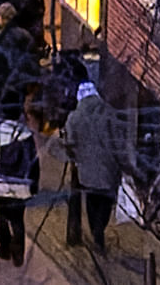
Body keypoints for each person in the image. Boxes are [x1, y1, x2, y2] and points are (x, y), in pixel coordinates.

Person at [65, 72, 122, 255]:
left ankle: (96, 232)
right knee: (105, 200)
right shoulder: (110, 114)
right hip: (108, 168)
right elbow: (119, 141)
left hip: (86, 170)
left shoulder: (74, 117)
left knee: (92, 200)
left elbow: (70, 143)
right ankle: (99, 230)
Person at [0, 105, 41, 265]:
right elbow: (33, 161)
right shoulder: (26, 134)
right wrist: (34, 183)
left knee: (2, 216)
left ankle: (4, 248)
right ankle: (18, 254)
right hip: (20, 186)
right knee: (18, 219)